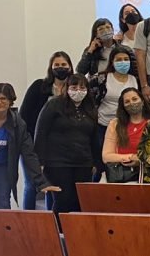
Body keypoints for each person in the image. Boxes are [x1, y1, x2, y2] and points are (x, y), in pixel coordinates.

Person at [33, 74, 99, 215]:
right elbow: (41, 132)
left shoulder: (90, 108)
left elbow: (94, 137)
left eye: (82, 87)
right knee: (63, 200)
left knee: (79, 202)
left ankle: (75, 234)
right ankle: (59, 234)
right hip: (57, 163)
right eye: (74, 87)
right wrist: (40, 161)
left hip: (83, 163)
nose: (78, 91)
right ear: (67, 88)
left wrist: (95, 162)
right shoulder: (54, 104)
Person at [18, 51, 72, 210]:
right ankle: (27, 224)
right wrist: (28, 143)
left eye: (64, 65)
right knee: (32, 185)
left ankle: (50, 225)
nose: (60, 68)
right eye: (57, 65)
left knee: (51, 187)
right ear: (51, 68)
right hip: (32, 145)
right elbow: (23, 116)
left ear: (70, 67)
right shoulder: (39, 87)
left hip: (57, 149)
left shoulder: (73, 89)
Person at [90, 45, 139, 180]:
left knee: (120, 163)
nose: (123, 62)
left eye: (125, 59)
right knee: (102, 163)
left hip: (124, 126)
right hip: (103, 125)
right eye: (119, 60)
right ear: (112, 61)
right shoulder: (102, 78)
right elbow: (91, 99)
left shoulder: (134, 79)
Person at [101, 86, 150, 183]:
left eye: (134, 99)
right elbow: (106, 156)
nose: (132, 103)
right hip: (119, 174)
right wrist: (131, 157)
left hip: (146, 174)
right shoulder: (115, 124)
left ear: (142, 100)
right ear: (123, 106)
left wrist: (139, 160)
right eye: (127, 101)